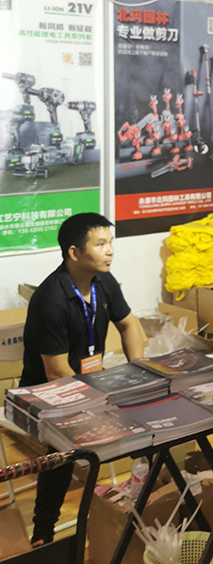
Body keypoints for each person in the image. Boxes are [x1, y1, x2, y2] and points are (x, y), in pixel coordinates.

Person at [19, 213, 146, 545]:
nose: (110, 251)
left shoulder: (104, 281)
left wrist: (138, 372)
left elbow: (130, 325)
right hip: (48, 392)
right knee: (63, 449)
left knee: (147, 414)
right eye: (100, 244)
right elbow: (56, 372)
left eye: (110, 243)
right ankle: (43, 532)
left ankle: (144, 495)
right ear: (74, 253)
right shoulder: (50, 299)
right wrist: (100, 402)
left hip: (91, 381)